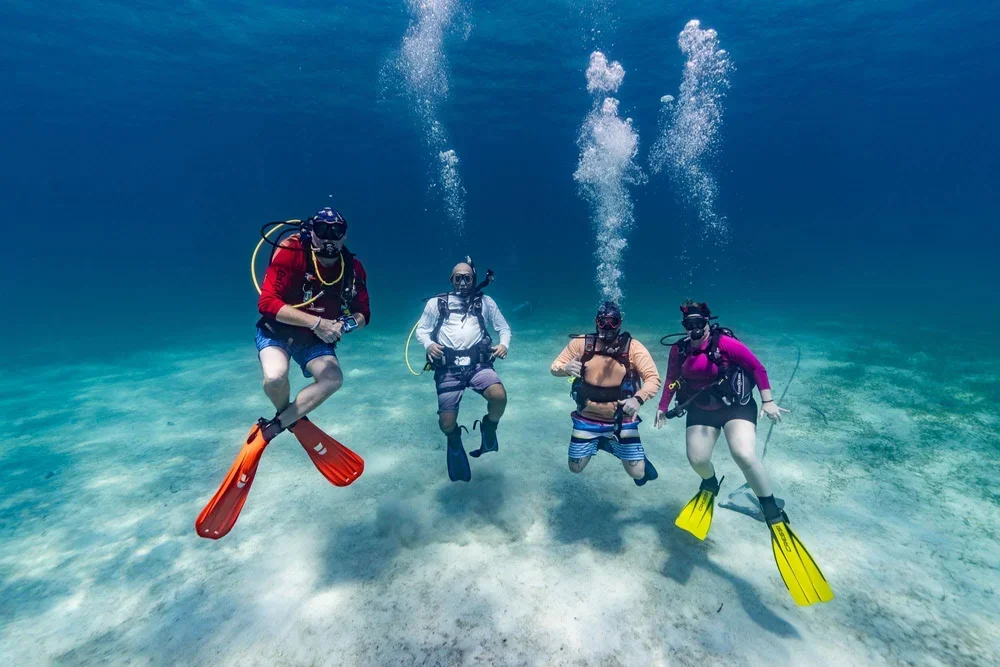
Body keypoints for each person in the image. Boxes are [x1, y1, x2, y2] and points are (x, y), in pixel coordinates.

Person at [196, 208, 369, 539]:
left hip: (315, 342)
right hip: (277, 333)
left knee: (333, 379)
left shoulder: (352, 268)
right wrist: (317, 322)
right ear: (311, 231)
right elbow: (267, 303)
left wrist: (344, 325)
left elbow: (364, 312)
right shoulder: (291, 252)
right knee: (275, 377)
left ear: (345, 235)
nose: (329, 239)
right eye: (322, 230)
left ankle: (275, 426)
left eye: (336, 232)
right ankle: (291, 417)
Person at [655, 300, 833, 605]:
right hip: (701, 409)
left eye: (699, 323)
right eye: (689, 325)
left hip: (736, 407)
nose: (694, 329)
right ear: (684, 327)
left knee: (743, 454)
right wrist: (662, 407)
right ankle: (710, 484)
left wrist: (768, 401)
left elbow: (756, 367)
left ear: (708, 322)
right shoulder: (679, 350)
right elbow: (672, 379)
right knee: (697, 460)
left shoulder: (725, 344)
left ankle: (772, 511)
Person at [414, 257, 511, 482]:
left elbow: (503, 328)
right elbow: (422, 330)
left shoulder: (485, 302)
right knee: (446, 424)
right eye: (458, 278)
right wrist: (429, 345)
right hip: (447, 368)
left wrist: (504, 345)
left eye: (467, 278)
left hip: (478, 364)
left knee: (499, 397)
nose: (463, 282)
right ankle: (454, 439)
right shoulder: (436, 303)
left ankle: (489, 427)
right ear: (451, 280)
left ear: (474, 279)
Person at [550, 302, 662, 485]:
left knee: (637, 473)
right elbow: (554, 366)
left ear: (620, 323)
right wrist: (565, 368)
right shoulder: (581, 344)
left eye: (613, 322)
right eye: (603, 322)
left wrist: (638, 399)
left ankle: (609, 443)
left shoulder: (633, 348)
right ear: (596, 322)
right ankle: (605, 442)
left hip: (621, 419)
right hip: (586, 417)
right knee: (575, 467)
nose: (608, 328)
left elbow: (653, 378)